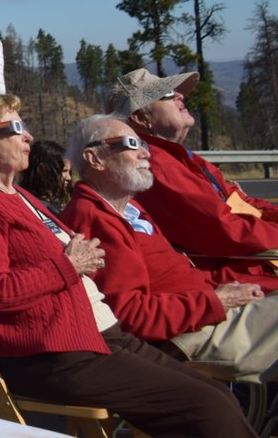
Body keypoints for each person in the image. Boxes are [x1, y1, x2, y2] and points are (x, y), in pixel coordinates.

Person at [0, 95, 254, 437]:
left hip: (99, 335)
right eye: (16, 128)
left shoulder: (19, 197)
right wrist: (69, 265)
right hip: (55, 354)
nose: (29, 137)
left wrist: (82, 260)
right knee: (207, 407)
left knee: (215, 397)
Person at [59, 114, 278, 383]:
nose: (144, 153)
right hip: (188, 335)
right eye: (130, 143)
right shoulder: (95, 220)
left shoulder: (130, 210)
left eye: (144, 145)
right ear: (95, 158)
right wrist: (218, 300)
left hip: (203, 312)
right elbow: (129, 315)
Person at [110, 68, 278, 283]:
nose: (180, 95)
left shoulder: (179, 157)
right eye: (168, 94)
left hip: (246, 269)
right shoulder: (154, 165)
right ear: (140, 118)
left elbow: (238, 201)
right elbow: (224, 229)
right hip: (225, 281)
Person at [19, 139, 72, 212]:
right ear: (42, 170)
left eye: (69, 172)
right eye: (64, 171)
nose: (69, 178)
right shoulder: (31, 207)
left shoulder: (61, 202)